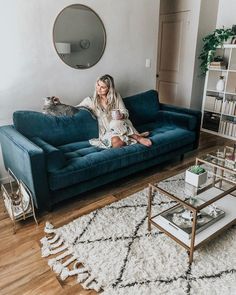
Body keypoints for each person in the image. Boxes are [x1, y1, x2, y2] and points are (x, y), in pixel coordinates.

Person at [76, 74, 152, 149]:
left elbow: (125, 112)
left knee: (115, 122)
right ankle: (135, 136)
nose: (98, 88)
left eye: (103, 87)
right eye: (98, 85)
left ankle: (138, 138)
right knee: (118, 142)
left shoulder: (116, 97)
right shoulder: (91, 101)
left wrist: (121, 115)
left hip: (121, 125)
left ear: (109, 88)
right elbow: (75, 108)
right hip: (107, 131)